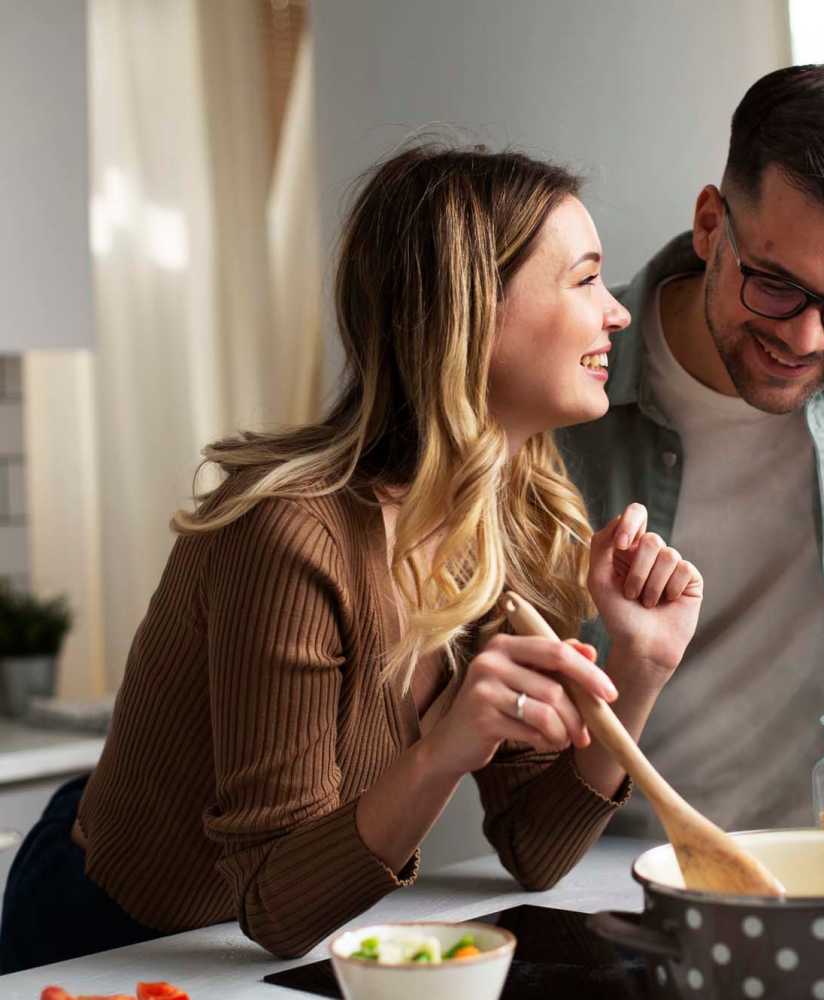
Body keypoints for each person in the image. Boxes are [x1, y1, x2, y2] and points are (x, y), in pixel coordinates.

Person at [0, 145, 704, 972]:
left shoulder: (515, 518)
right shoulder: (289, 535)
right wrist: (443, 750)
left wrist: (642, 667)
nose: (615, 313)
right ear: (472, 312)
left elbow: (536, 850)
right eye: (584, 279)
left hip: (269, 948)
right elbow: (273, 904)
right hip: (112, 942)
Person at [558, 63, 824, 839]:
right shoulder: (574, 370)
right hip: (632, 864)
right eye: (775, 286)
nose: (804, 338)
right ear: (709, 226)